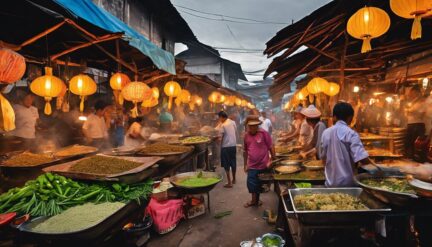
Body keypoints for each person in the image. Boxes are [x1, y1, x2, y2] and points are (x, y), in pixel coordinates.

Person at [320, 102, 369, 187]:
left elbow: (323, 158)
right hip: (348, 184)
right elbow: (362, 158)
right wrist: (379, 168)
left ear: (335, 117)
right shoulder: (351, 133)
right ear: (350, 117)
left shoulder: (326, 133)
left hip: (330, 183)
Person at [243, 115, 275, 207]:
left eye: (255, 125)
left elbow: (271, 146)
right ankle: (255, 200)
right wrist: (245, 164)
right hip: (252, 165)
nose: (253, 128)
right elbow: (245, 151)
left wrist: (273, 159)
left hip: (263, 164)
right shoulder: (246, 136)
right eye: (251, 126)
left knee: (260, 184)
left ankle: (255, 200)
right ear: (248, 126)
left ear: (258, 125)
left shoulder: (264, 133)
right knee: (251, 183)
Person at [405, 85, 426, 158]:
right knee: (409, 143)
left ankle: (416, 159)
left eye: (412, 92)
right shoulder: (413, 102)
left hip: (417, 124)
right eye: (411, 93)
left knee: (416, 144)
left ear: (417, 92)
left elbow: (422, 113)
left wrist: (411, 111)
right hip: (411, 124)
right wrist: (408, 111)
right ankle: (410, 158)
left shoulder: (422, 101)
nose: (411, 94)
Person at [218, 111, 238, 188]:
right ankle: (234, 179)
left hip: (225, 147)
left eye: (219, 118)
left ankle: (229, 182)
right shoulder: (233, 122)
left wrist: (217, 141)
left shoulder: (223, 125)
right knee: (233, 162)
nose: (219, 120)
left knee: (226, 164)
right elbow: (235, 132)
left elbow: (220, 138)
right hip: (233, 146)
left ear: (221, 117)